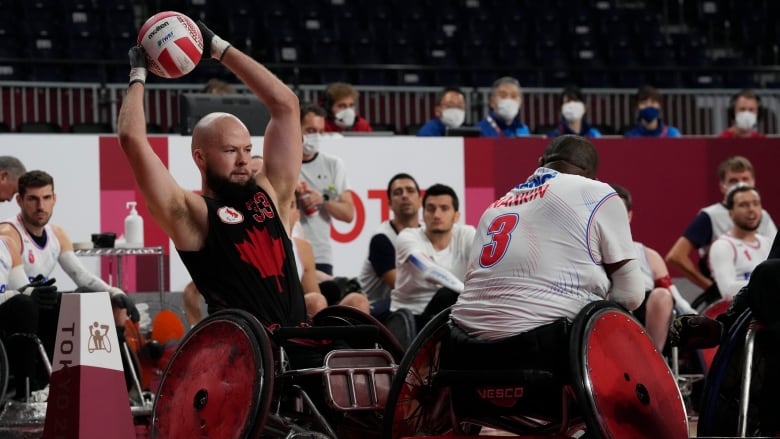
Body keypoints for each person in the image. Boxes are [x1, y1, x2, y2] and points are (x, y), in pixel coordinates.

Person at [117, 20, 309, 338]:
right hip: (246, 354)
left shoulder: (270, 192)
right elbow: (132, 139)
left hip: (301, 343)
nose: (244, 160)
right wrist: (138, 75)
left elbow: (286, 106)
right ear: (200, 158)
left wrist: (219, 48)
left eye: (248, 149)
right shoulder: (192, 214)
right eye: (231, 150)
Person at [450, 135, 644, 342]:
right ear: (593, 179)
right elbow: (631, 295)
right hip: (542, 341)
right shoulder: (597, 192)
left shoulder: (494, 208)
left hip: (463, 339)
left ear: (540, 163)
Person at [0, 171, 134, 315]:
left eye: (46, 198)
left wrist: (113, 291)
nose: (41, 206)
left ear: (54, 199)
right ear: (20, 200)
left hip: (38, 305)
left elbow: (81, 276)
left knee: (103, 297)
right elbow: (23, 292)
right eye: (33, 199)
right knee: (30, 303)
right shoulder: (8, 233)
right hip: (15, 311)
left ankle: (120, 335)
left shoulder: (57, 234)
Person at [666, 156, 776, 298]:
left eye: (745, 179)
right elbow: (676, 256)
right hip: (731, 284)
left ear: (753, 181)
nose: (740, 185)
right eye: (733, 181)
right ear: (722, 186)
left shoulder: (762, 216)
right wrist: (711, 288)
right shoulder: (710, 216)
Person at [611, 183, 694, 351]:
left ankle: (651, 360)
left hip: (646, 314)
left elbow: (674, 296)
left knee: (662, 295)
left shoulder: (649, 255)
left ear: (629, 216)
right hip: (607, 310)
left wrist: (693, 315)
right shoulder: (590, 251)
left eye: (618, 212)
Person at [391, 183, 475, 329]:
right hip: (411, 317)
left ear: (456, 216)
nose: (436, 215)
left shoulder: (466, 234)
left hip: (453, 311)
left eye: (444, 208)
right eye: (430, 209)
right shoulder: (408, 237)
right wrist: (467, 295)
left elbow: (488, 267)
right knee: (448, 295)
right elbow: (427, 270)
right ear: (423, 214)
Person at [296, 103, 355, 276]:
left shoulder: (333, 164)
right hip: (288, 251)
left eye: (320, 132)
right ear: (295, 129)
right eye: (310, 131)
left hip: (320, 255)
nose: (316, 137)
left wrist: (323, 200)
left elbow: (348, 213)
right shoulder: (283, 164)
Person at [0, 236, 60, 402]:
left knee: (50, 301)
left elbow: (24, 288)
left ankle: (45, 387)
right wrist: (21, 293)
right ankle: (25, 393)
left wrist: (34, 290)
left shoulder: (5, 244)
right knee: (22, 304)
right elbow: (19, 296)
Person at [357, 173, 422, 318]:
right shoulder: (381, 239)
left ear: (420, 199)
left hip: (413, 301)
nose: (405, 196)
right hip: (376, 308)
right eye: (398, 192)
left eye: (410, 191)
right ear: (390, 203)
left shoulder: (428, 234)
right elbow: (401, 288)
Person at [707, 184, 771, 299]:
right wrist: (769, 285)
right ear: (730, 213)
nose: (751, 209)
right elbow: (727, 291)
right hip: (744, 312)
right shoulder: (722, 246)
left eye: (756, 203)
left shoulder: (768, 243)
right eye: (743, 205)